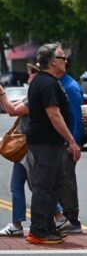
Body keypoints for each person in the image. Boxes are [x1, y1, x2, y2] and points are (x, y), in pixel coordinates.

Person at [26, 43, 81, 244]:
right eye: (61, 58)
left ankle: (48, 227)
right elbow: (54, 115)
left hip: (51, 143)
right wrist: (72, 141)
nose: (65, 61)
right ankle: (38, 231)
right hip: (45, 142)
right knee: (44, 186)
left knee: (56, 184)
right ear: (51, 61)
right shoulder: (46, 83)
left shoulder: (48, 81)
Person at [0, 63, 38, 237]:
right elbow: (14, 104)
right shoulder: (33, 93)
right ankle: (17, 222)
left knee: (35, 186)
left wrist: (2, 93)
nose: (28, 76)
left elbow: (12, 110)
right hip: (27, 147)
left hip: (27, 147)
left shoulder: (37, 95)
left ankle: (59, 215)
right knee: (22, 185)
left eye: (31, 73)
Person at [58, 64, 84, 234]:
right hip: (59, 142)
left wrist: (73, 142)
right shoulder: (60, 84)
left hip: (67, 143)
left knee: (67, 180)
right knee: (60, 180)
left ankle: (72, 219)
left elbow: (78, 117)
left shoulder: (70, 87)